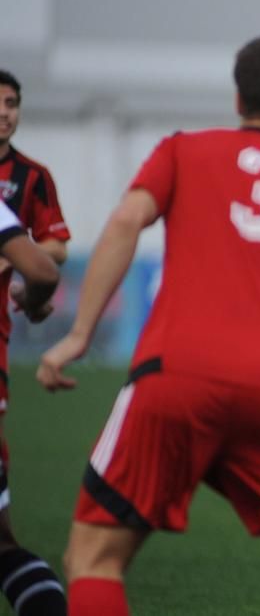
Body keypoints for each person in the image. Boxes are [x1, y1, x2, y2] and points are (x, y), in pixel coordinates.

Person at [35, 35, 260, 616]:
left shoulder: (183, 150)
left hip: (174, 374)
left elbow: (127, 220)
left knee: (95, 559)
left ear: (237, 98)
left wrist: (79, 334)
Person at [0, 69, 70, 616]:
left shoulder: (32, 177)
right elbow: (41, 268)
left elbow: (53, 249)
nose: (4, 112)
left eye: (11, 103)